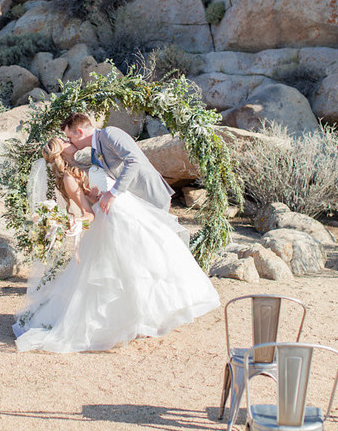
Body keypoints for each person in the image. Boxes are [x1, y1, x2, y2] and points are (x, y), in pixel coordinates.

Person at [12, 120, 221, 354]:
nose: (70, 142)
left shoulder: (87, 158)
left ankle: (147, 319)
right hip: (114, 219)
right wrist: (73, 223)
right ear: (61, 151)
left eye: (70, 137)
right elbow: (88, 213)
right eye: (65, 141)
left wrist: (101, 192)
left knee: (149, 262)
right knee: (128, 270)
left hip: (128, 210)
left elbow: (112, 173)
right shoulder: (70, 179)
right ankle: (131, 321)